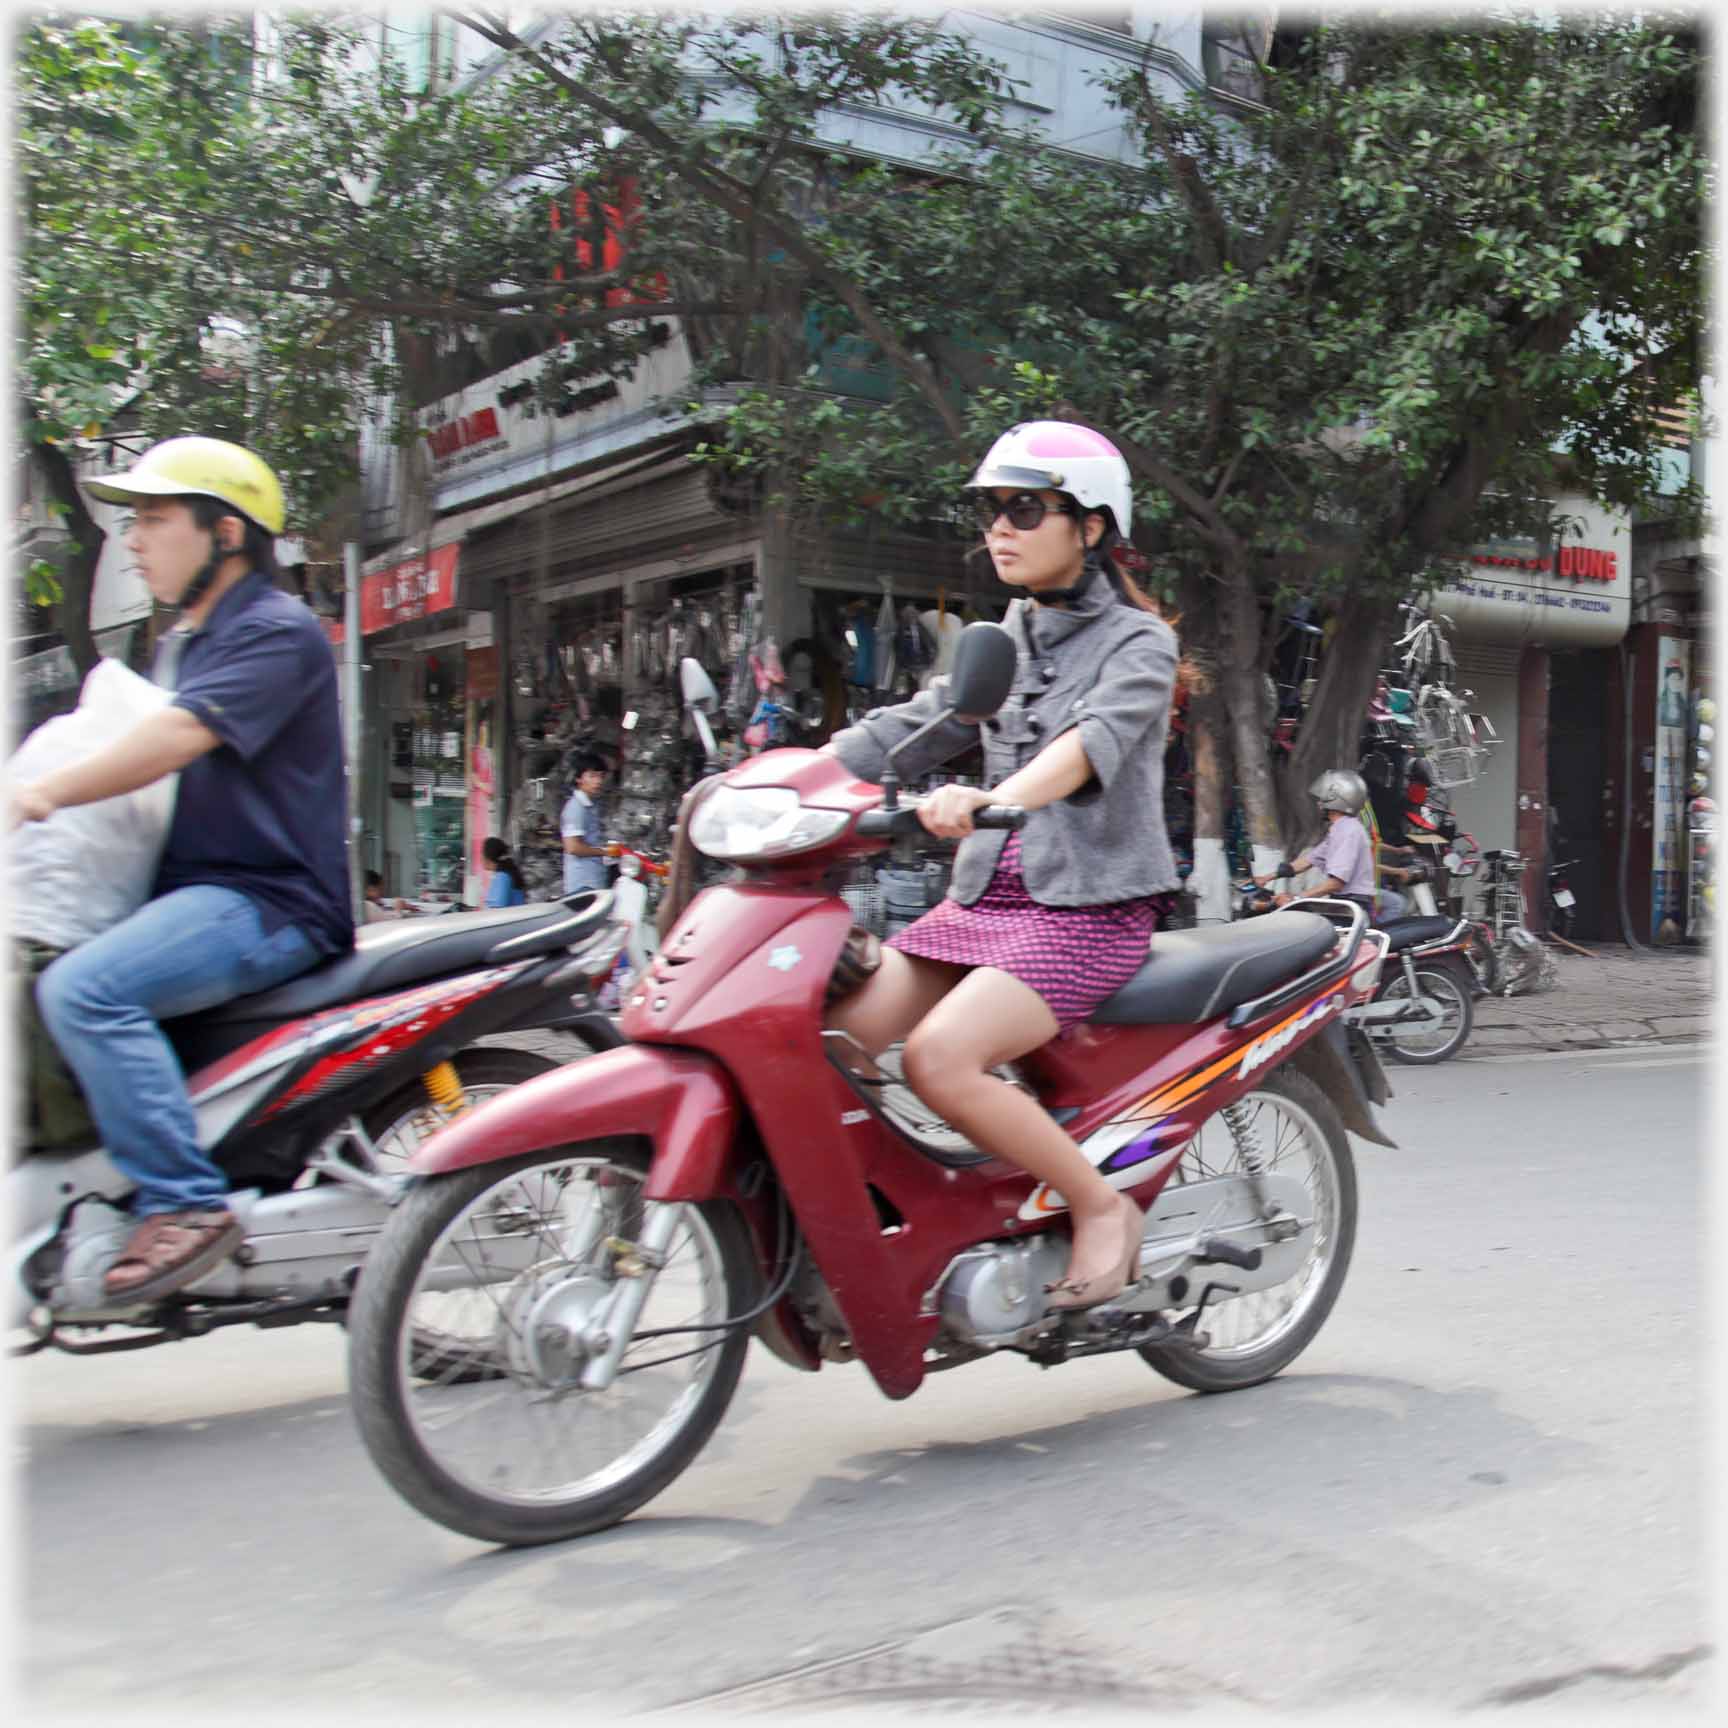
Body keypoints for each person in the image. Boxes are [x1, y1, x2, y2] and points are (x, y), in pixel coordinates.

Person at [822, 420, 1180, 1312]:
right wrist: (792, 775)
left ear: (1091, 526)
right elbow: (925, 720)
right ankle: (909, 1212)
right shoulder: (1001, 639)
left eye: (1026, 508)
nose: (1001, 529)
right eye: (990, 511)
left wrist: (991, 796)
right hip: (983, 899)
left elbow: (1090, 747)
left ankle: (1103, 1207)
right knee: (830, 1042)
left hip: (1088, 909)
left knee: (940, 1059)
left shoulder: (1139, 644)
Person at [9, 437, 353, 1303]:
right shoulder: (186, 645)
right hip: (198, 896)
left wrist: (40, 794)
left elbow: (172, 740)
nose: (134, 541)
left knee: (84, 991)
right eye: (132, 523)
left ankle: (187, 1203)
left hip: (267, 902)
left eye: (155, 520)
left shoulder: (276, 630)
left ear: (227, 532)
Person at [1258, 770, 1381, 916]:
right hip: (1343, 904)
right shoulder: (1341, 828)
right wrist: (1268, 877)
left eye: (1323, 800)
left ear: (1337, 800)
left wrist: (1296, 899)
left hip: (1351, 908)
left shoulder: (1348, 831)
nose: (1319, 804)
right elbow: (1309, 860)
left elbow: (1336, 883)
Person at [560, 754, 610, 896]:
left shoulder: (591, 805)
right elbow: (573, 847)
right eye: (592, 776)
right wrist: (604, 852)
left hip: (593, 881)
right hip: (582, 884)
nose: (598, 781)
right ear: (579, 778)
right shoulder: (576, 807)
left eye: (601, 776)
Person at [481, 835, 527, 907]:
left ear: (488, 856)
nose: (481, 857)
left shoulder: (502, 877)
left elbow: (498, 910)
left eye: (482, 853)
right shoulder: (504, 874)